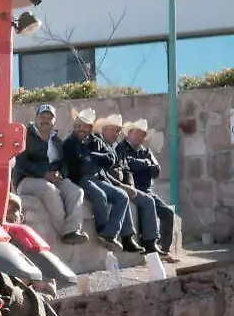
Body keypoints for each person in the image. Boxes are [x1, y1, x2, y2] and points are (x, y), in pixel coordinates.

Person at [62, 109, 137, 253]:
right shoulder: (69, 143)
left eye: (85, 126)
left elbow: (110, 158)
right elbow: (79, 163)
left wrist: (91, 156)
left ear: (90, 128)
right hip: (80, 178)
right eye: (79, 125)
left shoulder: (95, 140)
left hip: (98, 178)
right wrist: (95, 159)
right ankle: (103, 230)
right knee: (99, 195)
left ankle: (110, 234)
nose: (81, 129)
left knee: (122, 196)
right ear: (74, 125)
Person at [13, 104, 88, 244]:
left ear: (54, 122)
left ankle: (73, 230)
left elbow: (63, 164)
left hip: (52, 178)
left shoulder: (57, 141)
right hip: (26, 180)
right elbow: (21, 164)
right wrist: (44, 174)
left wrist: (60, 173)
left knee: (76, 191)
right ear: (36, 118)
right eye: (42, 117)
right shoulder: (24, 136)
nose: (45, 120)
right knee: (49, 190)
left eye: (49, 118)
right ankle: (65, 232)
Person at [96, 114, 160, 256]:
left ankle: (150, 242)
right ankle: (127, 237)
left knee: (148, 201)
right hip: (109, 183)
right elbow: (102, 172)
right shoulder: (99, 144)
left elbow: (127, 170)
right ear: (104, 129)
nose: (116, 133)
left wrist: (130, 185)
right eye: (113, 129)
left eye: (118, 130)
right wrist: (122, 185)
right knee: (122, 196)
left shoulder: (116, 147)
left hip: (124, 185)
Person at [117, 119, 179, 263]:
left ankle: (164, 250)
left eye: (143, 134)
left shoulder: (145, 151)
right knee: (147, 203)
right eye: (138, 133)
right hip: (131, 187)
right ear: (129, 133)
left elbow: (156, 170)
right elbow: (127, 164)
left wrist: (141, 165)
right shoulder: (122, 148)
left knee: (168, 213)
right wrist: (145, 164)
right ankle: (150, 243)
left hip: (146, 189)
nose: (140, 136)